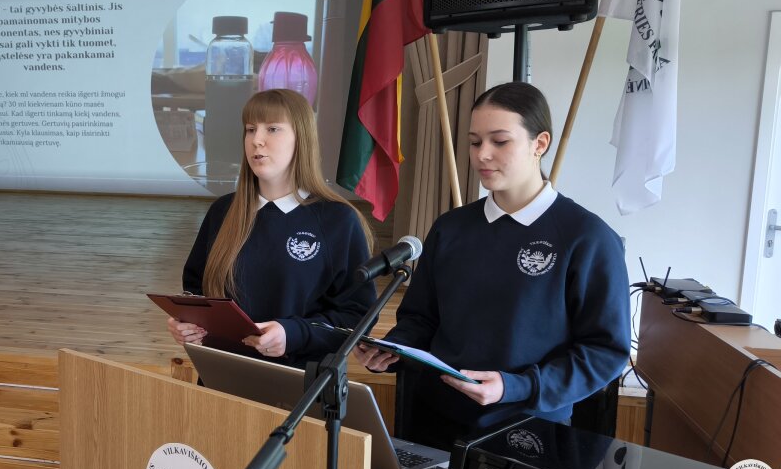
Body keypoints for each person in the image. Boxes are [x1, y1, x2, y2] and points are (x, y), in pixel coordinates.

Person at [355, 82, 632, 450]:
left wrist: (517, 386)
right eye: (474, 142)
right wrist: (393, 348)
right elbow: (421, 319)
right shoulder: (450, 228)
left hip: (529, 429)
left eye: (499, 142)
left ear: (540, 144)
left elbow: (605, 351)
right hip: (434, 419)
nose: (482, 155)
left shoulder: (587, 237)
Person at [168, 88, 376, 367]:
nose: (257, 140)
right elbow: (196, 292)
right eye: (250, 129)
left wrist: (293, 334)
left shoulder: (338, 220)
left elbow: (357, 316)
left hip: (303, 380)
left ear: (301, 139)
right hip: (221, 374)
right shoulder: (222, 211)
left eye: (273, 129)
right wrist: (187, 323)